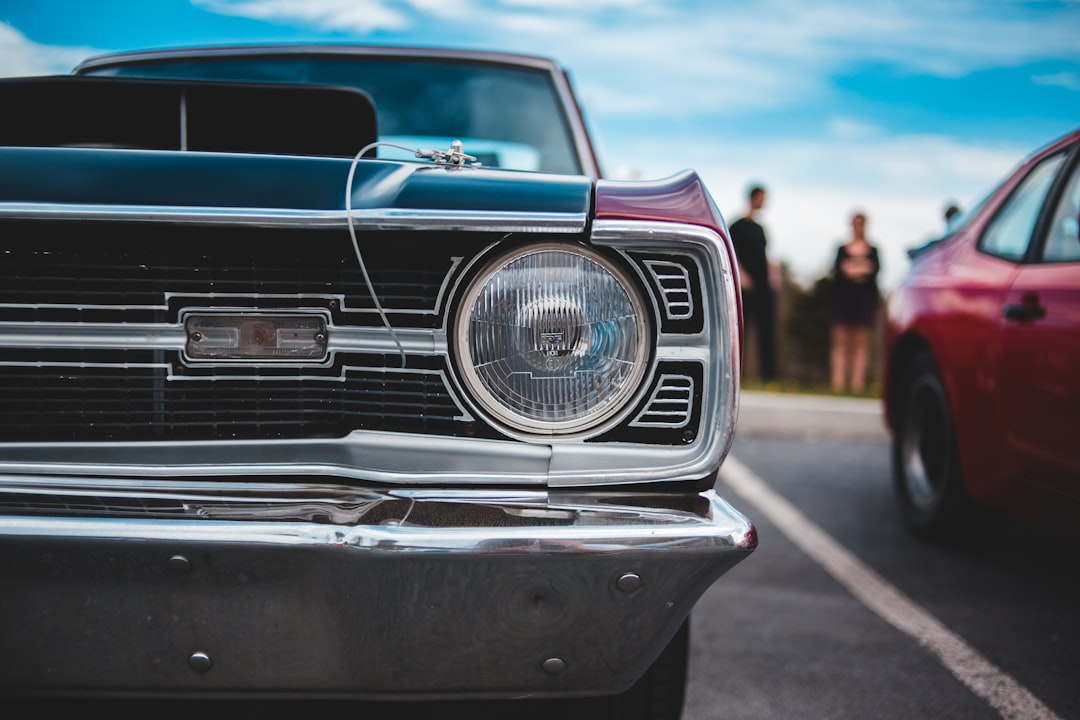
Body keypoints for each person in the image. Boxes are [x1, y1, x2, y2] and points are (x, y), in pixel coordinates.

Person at [730, 185, 777, 382]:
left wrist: (773, 273)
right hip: (745, 285)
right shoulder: (737, 225)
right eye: (762, 198)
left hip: (762, 283)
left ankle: (769, 376)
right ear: (754, 198)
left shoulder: (760, 228)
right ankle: (736, 373)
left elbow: (764, 254)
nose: (764, 202)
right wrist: (741, 275)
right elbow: (732, 251)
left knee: (767, 328)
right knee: (742, 327)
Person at [829, 212, 880, 394]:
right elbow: (838, 271)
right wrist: (861, 268)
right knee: (841, 342)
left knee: (860, 344)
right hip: (843, 299)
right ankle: (838, 383)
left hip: (864, 300)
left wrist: (852, 268)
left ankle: (857, 385)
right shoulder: (842, 248)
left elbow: (874, 272)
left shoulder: (873, 250)